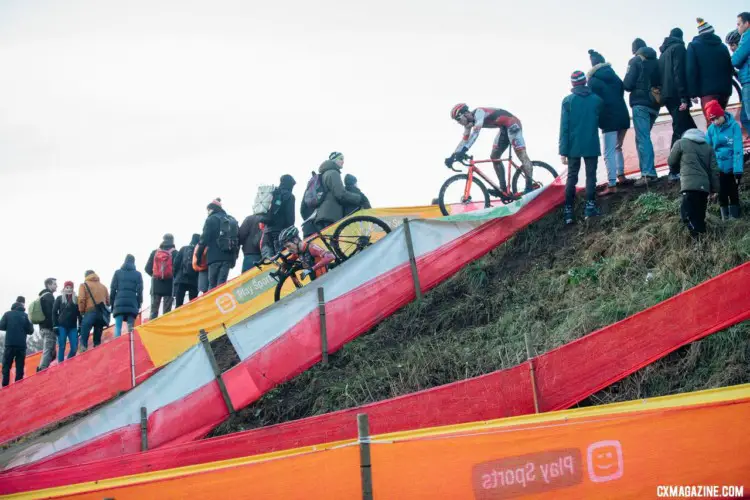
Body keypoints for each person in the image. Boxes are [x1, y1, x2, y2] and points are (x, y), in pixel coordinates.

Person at [445, 104, 535, 195]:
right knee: (494, 157)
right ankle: (503, 190)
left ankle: (529, 186)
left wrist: (464, 151)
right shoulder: (468, 125)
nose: (459, 122)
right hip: (503, 128)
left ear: (465, 113)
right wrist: (452, 156)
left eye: (458, 119)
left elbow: (475, 134)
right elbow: (464, 141)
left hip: (513, 124)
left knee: (521, 155)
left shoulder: (479, 112)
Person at [559, 71, 603, 225]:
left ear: (573, 84)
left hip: (573, 145)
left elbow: (564, 128)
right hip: (591, 142)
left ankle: (568, 211)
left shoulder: (567, 101)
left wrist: (563, 151)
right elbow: (600, 120)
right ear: (585, 82)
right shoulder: (597, 100)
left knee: (572, 176)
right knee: (591, 176)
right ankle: (590, 207)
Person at [587, 49, 632, 195]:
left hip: (608, 118)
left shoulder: (592, 80)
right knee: (618, 147)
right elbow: (621, 90)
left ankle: (612, 184)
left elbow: (593, 102)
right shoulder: (614, 75)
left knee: (608, 152)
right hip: (623, 115)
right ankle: (621, 176)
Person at [623, 38, 662, 186]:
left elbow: (627, 84)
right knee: (642, 138)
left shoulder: (635, 61)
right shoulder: (656, 61)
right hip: (655, 104)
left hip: (640, 103)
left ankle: (648, 174)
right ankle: (647, 171)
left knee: (643, 138)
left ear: (635, 50)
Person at [668, 129, 719, 238]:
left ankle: (697, 239)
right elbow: (714, 171)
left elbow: (671, 161)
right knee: (700, 217)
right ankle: (702, 244)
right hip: (704, 188)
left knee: (686, 215)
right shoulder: (709, 148)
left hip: (689, 186)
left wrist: (676, 170)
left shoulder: (681, 143)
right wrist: (715, 189)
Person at [658, 28, 698, 158]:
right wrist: (683, 98)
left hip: (667, 96)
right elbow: (679, 73)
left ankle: (697, 158)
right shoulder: (679, 48)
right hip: (677, 95)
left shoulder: (663, 54)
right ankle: (673, 167)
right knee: (680, 128)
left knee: (690, 128)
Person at [687, 18, 734, 118]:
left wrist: (692, 93)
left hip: (707, 92)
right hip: (725, 91)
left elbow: (691, 70)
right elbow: (730, 68)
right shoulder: (723, 47)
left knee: (713, 123)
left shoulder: (693, 46)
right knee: (722, 121)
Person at [705, 101, 744, 220]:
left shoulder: (734, 127)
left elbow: (738, 149)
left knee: (733, 192)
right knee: (721, 193)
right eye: (712, 120)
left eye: (716, 118)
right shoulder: (711, 130)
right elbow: (708, 149)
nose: (715, 122)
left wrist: (738, 170)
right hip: (718, 168)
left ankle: (735, 218)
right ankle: (724, 218)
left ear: (722, 114)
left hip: (731, 167)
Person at [197, 198, 239, 290]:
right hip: (228, 257)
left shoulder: (211, 219)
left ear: (211, 209)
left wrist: (198, 256)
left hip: (214, 258)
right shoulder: (231, 219)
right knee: (221, 285)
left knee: (212, 286)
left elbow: (203, 240)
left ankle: (212, 304)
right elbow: (237, 239)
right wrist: (234, 257)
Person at [314, 153, 362, 230]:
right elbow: (340, 194)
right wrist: (358, 198)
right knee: (333, 241)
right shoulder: (333, 173)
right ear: (334, 160)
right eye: (341, 159)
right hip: (331, 215)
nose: (343, 161)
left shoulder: (325, 173)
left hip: (323, 214)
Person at [260, 175, 296, 259]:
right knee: (282, 258)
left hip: (266, 233)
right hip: (280, 232)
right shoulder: (289, 196)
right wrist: (291, 230)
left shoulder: (272, 193)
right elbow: (290, 216)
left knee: (269, 260)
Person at [0, 297, 34, 386]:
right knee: (19, 368)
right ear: (23, 304)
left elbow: (1, 326)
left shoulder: (7, 314)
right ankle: (17, 389)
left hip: (9, 344)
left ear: (15, 303)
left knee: (6, 366)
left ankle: (5, 387)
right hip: (21, 346)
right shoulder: (26, 316)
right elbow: (31, 331)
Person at [145, 234, 176, 319]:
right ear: (172, 241)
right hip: (169, 285)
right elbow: (177, 269)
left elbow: (147, 268)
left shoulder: (155, 252)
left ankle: (152, 330)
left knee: (154, 311)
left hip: (156, 285)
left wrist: (156, 275)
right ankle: (165, 331)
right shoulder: (174, 253)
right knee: (166, 313)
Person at [110, 254, 143, 336]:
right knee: (130, 328)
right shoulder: (138, 274)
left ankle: (116, 345)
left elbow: (113, 289)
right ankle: (130, 345)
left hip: (119, 303)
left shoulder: (117, 273)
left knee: (118, 327)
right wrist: (139, 303)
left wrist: (112, 303)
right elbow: (140, 291)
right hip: (132, 303)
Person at [78, 270, 109, 351]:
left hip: (89, 312)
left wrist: (81, 311)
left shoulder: (83, 285)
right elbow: (108, 302)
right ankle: (97, 357)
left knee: (83, 340)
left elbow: (81, 299)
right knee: (97, 343)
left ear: (86, 276)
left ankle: (83, 356)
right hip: (101, 315)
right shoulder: (103, 287)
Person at [52, 281, 81, 362]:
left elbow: (79, 314)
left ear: (73, 289)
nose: (69, 289)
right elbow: (54, 312)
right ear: (64, 288)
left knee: (74, 348)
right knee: (62, 346)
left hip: (73, 327)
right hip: (61, 326)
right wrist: (55, 326)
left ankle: (68, 363)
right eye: (67, 287)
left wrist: (80, 325)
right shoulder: (59, 298)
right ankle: (61, 366)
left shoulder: (76, 299)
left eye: (71, 288)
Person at [731, 13, 750, 134]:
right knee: (744, 117)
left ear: (747, 23)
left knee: (747, 118)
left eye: (739, 24)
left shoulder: (747, 36)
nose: (737, 27)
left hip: (748, 81)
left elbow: (736, 60)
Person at [36, 278, 58, 371]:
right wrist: (55, 325)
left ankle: (42, 368)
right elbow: (51, 313)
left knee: (52, 353)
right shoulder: (49, 296)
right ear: (49, 285)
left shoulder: (42, 296)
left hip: (43, 328)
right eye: (54, 284)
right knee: (48, 350)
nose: (56, 286)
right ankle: (42, 370)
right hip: (49, 328)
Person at [174, 234, 201, 306]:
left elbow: (175, 263)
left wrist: (176, 275)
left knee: (178, 304)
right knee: (193, 304)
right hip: (194, 280)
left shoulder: (183, 249)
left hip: (181, 279)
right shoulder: (199, 250)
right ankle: (191, 316)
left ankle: (178, 316)